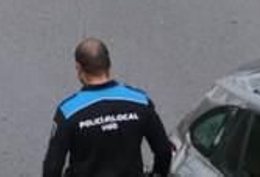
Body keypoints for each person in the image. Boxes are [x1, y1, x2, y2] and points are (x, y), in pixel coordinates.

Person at [42, 38, 172, 177]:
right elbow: (163, 150)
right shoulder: (140, 102)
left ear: (79, 68)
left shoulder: (69, 111)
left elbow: (52, 167)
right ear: (108, 64)